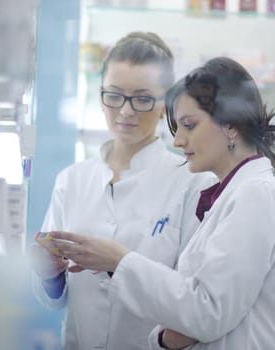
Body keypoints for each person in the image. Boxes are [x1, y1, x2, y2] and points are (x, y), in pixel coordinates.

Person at [48, 57, 275, 350]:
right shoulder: (233, 195)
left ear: (231, 125)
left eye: (189, 125)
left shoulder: (258, 195)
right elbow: (194, 306)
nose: (179, 141)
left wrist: (120, 261)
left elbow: (206, 313)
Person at [29, 32, 215, 350]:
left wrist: (120, 263)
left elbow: (195, 299)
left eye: (142, 99)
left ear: (165, 104)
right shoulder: (71, 180)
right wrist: (50, 275)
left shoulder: (192, 183)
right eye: (113, 96)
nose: (125, 112)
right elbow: (54, 298)